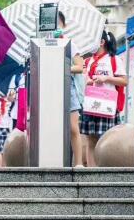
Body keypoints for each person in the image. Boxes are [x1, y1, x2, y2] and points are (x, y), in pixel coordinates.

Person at [81, 30, 127, 167]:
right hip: (91, 104)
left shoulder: (114, 59)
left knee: (107, 140)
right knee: (90, 141)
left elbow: (124, 81)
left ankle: (104, 173)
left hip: (107, 105)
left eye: (93, 41)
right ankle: (91, 174)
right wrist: (88, 80)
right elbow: (84, 80)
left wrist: (106, 78)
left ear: (102, 42)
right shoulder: (88, 61)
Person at [56, 11, 85, 167]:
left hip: (68, 88)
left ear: (64, 25)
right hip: (50, 89)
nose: (56, 26)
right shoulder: (42, 43)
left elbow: (80, 67)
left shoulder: (70, 44)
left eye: (58, 22)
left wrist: (62, 66)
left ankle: (78, 163)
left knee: (73, 127)